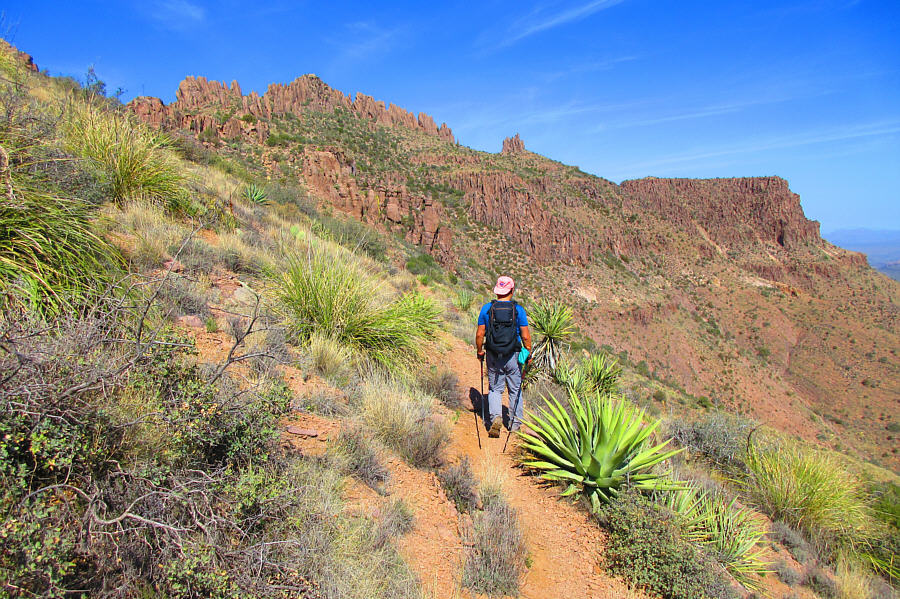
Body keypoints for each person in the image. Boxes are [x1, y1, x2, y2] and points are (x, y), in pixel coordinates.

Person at [475, 276, 532, 437]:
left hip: (493, 354)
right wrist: (528, 352)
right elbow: (526, 337)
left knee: (495, 388)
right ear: (512, 291)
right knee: (515, 389)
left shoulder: (487, 308)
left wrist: (480, 351)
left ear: (497, 291)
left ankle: (495, 417)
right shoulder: (518, 310)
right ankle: (514, 425)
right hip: (513, 355)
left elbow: (480, 334)